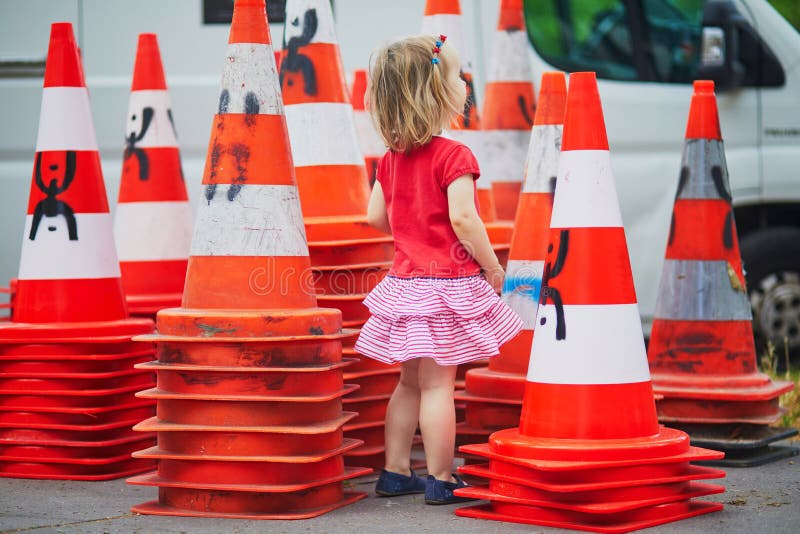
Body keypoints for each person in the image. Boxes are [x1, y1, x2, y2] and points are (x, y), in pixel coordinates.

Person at [354, 34, 524, 505]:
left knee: (408, 382)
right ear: (440, 93)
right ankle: (442, 477)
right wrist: (491, 267)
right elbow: (464, 219)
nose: (462, 82)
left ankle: (393, 471)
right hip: (445, 286)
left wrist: (408, 225)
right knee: (440, 385)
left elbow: (375, 218)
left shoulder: (389, 160)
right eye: (455, 76)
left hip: (405, 285)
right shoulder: (455, 156)